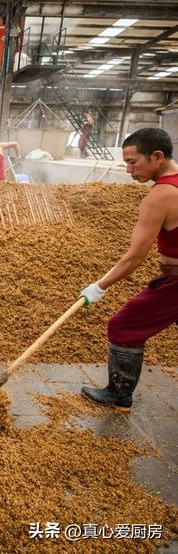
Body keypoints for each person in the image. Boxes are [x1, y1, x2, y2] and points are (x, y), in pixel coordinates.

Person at [80, 127, 178, 411]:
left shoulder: (160, 196)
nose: (127, 170)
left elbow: (135, 257)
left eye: (133, 162)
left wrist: (99, 287)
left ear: (157, 157)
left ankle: (118, 394)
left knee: (123, 326)